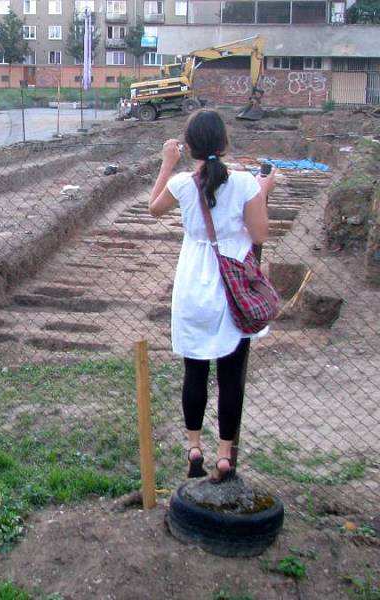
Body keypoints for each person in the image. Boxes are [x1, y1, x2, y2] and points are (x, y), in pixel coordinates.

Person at [148, 109, 276, 482]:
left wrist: (167, 164)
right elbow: (260, 235)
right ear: (224, 143)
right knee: (231, 375)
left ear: (189, 147)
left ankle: (193, 447)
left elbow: (153, 208)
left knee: (195, 371)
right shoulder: (245, 184)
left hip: (192, 285)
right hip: (230, 288)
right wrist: (264, 191)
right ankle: (223, 454)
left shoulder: (184, 184)